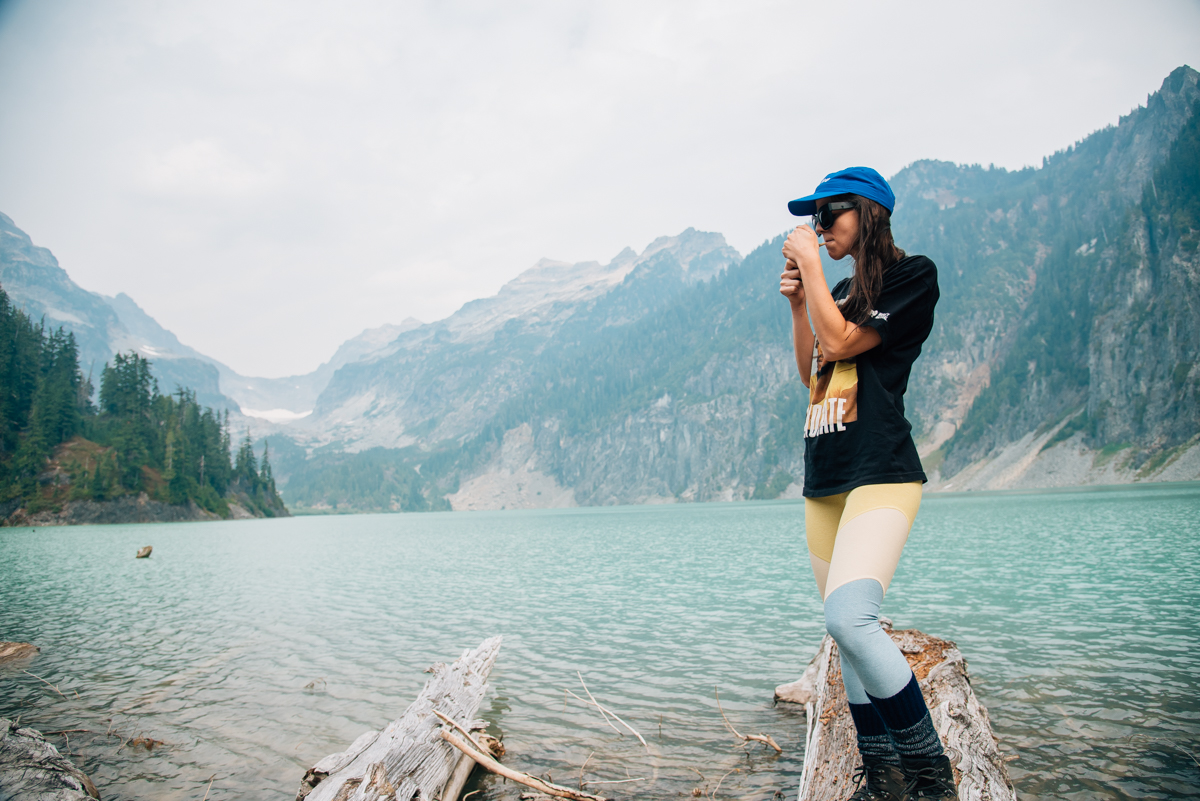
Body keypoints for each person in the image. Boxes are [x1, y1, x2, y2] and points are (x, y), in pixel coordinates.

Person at [778, 166, 956, 801]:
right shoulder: (842, 288)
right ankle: (881, 778)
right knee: (842, 638)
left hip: (881, 471)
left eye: (830, 214)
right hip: (825, 477)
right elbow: (813, 368)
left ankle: (934, 781)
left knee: (852, 619)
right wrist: (802, 303)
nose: (820, 227)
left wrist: (817, 282)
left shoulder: (914, 276)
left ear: (868, 212)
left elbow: (846, 340)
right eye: (815, 219)